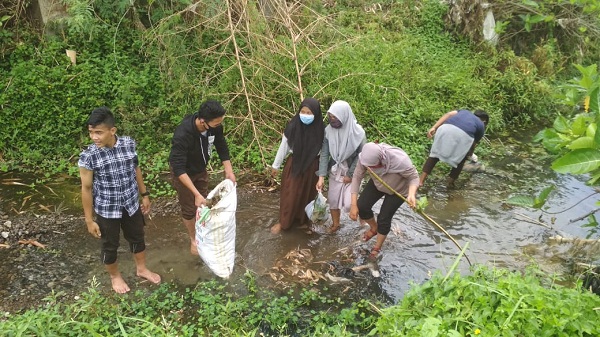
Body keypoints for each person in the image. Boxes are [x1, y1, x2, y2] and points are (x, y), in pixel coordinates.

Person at [79, 107, 161, 294]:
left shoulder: (128, 144)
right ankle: (115, 277)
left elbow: (136, 169)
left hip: (131, 203)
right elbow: (86, 188)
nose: (94, 137)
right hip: (107, 208)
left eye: (98, 132)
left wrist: (145, 194)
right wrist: (89, 220)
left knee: (137, 236)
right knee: (110, 244)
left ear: (112, 131)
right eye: (91, 132)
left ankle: (141, 269)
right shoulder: (89, 156)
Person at [169, 100, 236, 255]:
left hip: (200, 169)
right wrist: (196, 194)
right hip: (184, 174)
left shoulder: (215, 127)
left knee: (204, 203)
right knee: (189, 208)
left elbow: (221, 145)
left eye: (220, 122)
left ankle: (204, 232)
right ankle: (194, 240)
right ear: (202, 121)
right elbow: (178, 168)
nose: (219, 125)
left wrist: (229, 170)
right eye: (216, 123)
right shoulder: (183, 134)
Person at [349, 142, 419, 258]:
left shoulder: (400, 160)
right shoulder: (364, 158)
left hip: (399, 190)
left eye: (372, 167)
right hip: (378, 182)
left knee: (384, 218)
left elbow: (413, 177)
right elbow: (357, 177)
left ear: (381, 161)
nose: (369, 169)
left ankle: (377, 247)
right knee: (362, 206)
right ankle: (374, 228)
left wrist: (411, 194)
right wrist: (353, 204)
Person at [270, 97, 325, 234]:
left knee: (307, 194)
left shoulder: (321, 131)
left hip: (312, 166)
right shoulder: (293, 127)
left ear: (316, 114)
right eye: (303, 112)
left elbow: (324, 153)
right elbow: (283, 147)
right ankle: (284, 223)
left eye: (309, 113)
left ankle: (303, 222)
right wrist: (275, 166)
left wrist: (322, 175)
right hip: (294, 164)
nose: (305, 115)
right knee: (290, 193)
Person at [316, 100, 366, 233]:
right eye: (330, 117)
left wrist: (350, 175)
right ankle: (336, 224)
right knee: (332, 200)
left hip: (352, 172)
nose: (332, 120)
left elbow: (361, 156)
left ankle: (363, 212)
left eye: (335, 117)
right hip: (335, 171)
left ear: (344, 116)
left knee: (349, 204)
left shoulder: (358, 133)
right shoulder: (328, 131)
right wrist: (321, 177)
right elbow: (325, 154)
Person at [419, 109, 489, 187]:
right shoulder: (481, 125)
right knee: (460, 161)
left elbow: (448, 114)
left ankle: (420, 182)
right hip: (463, 135)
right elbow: (473, 144)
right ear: (484, 121)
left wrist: (434, 127)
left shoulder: (464, 111)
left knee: (434, 156)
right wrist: (469, 155)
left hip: (445, 128)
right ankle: (450, 183)